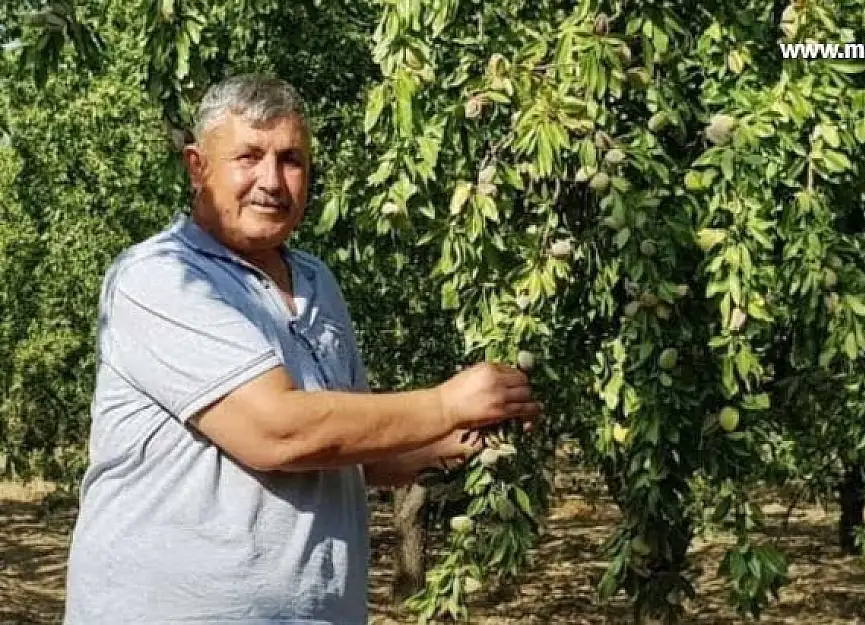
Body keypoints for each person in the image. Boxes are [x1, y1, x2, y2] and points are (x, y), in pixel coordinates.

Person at [62, 74, 541, 624]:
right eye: (248, 156)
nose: (271, 180)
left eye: (291, 159)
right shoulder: (162, 278)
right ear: (197, 167)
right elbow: (278, 432)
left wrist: (459, 439)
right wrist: (444, 404)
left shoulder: (316, 282)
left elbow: (348, 448)